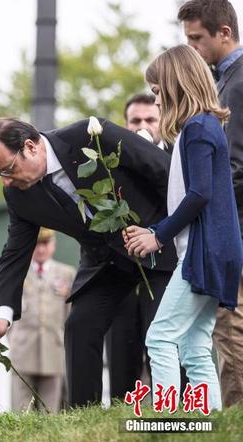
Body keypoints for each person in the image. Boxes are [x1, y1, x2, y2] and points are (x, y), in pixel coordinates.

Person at [0, 114, 177, 407]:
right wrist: (3, 315)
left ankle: (181, 408)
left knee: (162, 330)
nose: (7, 180)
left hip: (156, 244)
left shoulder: (91, 136)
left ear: (31, 147)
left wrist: (162, 233)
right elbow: (14, 253)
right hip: (105, 263)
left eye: (8, 169)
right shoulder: (19, 195)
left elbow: (165, 173)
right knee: (80, 325)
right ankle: (83, 416)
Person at [125, 44, 242, 412]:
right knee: (194, 344)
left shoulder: (198, 128)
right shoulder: (201, 127)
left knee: (160, 337)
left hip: (203, 254)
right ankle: (208, 422)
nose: (157, 103)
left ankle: (168, 419)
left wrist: (156, 234)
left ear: (177, 86)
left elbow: (198, 195)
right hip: (213, 251)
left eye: (159, 92)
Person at [178, 0, 243, 408]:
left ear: (225, 33)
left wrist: (216, 228)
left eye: (197, 39)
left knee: (230, 325)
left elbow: (233, 167)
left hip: (234, 226)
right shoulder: (225, 81)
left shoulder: (236, 83)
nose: (192, 49)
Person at [105, 93, 168, 401]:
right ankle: (120, 414)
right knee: (121, 355)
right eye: (136, 120)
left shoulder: (176, 158)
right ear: (125, 124)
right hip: (121, 270)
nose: (143, 125)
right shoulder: (110, 166)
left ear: (161, 121)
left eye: (150, 119)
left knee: (166, 354)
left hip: (166, 269)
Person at [8, 228, 75, 412]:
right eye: (37, 244)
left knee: (50, 411)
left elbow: (70, 313)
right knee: (21, 412)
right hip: (22, 350)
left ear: (53, 244)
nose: (41, 249)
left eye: (45, 243)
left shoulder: (66, 273)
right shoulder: (17, 272)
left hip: (53, 349)